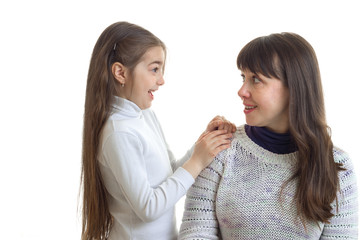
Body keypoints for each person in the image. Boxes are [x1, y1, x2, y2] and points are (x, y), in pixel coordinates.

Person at [179, 32, 358, 239]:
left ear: (294, 88)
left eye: (256, 79)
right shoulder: (220, 149)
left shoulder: (338, 167)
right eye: (243, 77)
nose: (242, 91)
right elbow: (195, 233)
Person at [80, 21, 236, 240]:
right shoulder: (119, 132)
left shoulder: (145, 116)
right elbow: (148, 208)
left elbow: (170, 173)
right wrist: (197, 162)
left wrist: (202, 145)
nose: (161, 80)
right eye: (154, 69)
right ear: (120, 73)